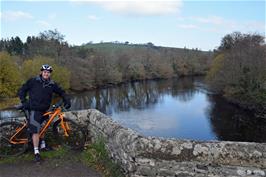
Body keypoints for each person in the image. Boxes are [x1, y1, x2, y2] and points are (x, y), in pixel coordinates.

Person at [18, 64, 71, 163]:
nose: (46, 73)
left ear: (50, 74)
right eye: (44, 72)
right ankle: (36, 152)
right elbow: (22, 90)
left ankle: (42, 145)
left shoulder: (52, 84)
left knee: (44, 126)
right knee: (36, 130)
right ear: (41, 72)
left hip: (45, 109)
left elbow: (61, 92)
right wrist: (24, 101)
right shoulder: (33, 81)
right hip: (34, 109)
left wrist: (66, 99)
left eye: (48, 72)